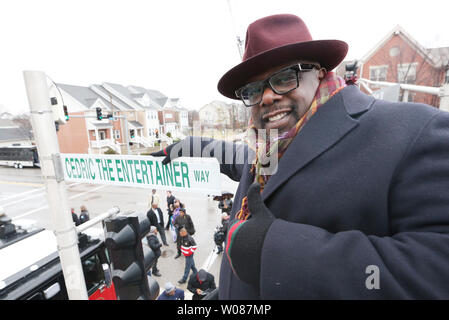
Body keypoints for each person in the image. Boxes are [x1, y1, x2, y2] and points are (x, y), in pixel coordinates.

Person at [152, 14, 449, 299]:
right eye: (253, 89)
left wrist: (273, 253)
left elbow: (435, 275)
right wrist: (186, 146)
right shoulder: (267, 151)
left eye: (283, 77)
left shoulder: (413, 131)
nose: (267, 97)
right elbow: (235, 158)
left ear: (319, 71)